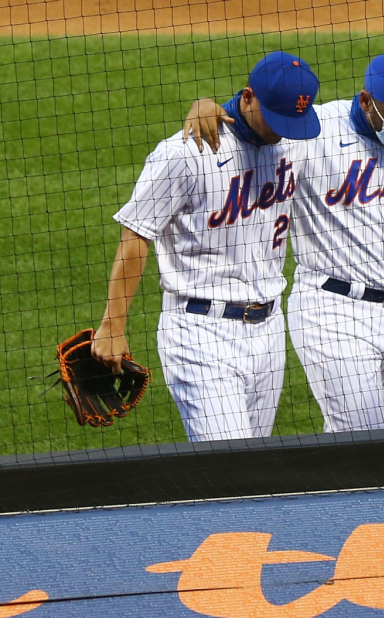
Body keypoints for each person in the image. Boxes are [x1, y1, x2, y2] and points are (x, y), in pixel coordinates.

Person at [183, 53, 384, 433]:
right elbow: (255, 131)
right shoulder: (315, 134)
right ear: (366, 101)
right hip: (332, 310)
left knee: (361, 449)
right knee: (362, 439)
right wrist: (210, 107)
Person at [94, 52, 321, 442]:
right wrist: (113, 326)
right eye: (277, 119)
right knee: (232, 472)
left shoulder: (296, 140)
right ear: (248, 97)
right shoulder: (185, 153)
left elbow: (367, 113)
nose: (284, 131)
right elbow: (135, 236)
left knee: (252, 471)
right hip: (201, 333)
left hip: (269, 331)